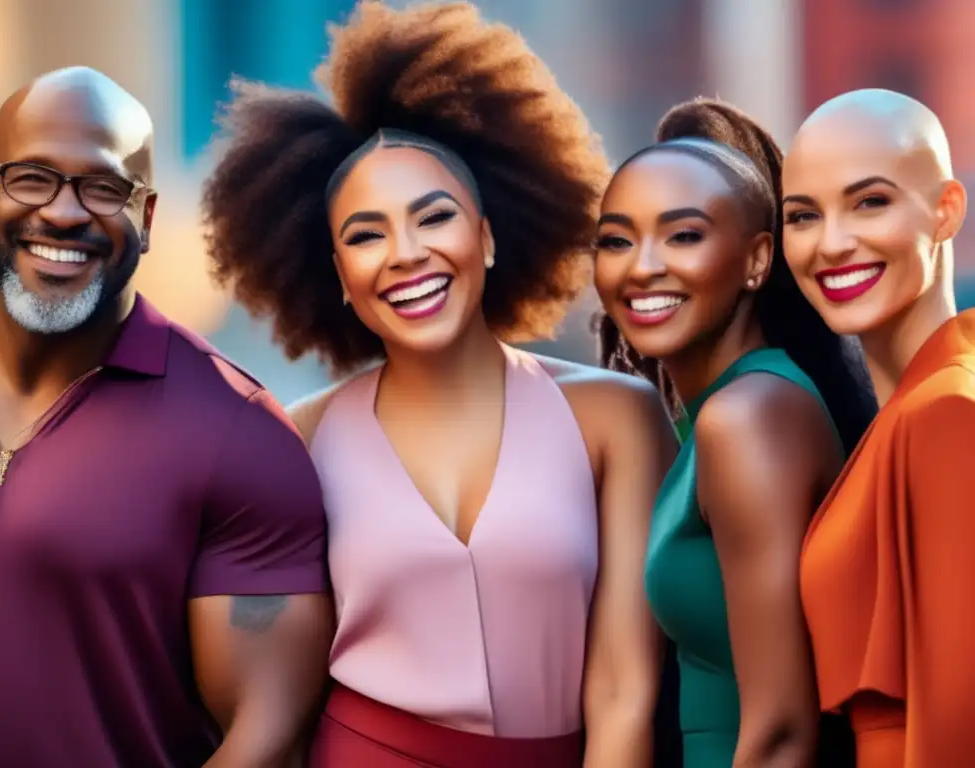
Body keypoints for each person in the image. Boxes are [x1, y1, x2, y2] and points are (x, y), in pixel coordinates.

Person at [201, 2, 680, 766]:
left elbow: (625, 690)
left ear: (487, 238)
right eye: (366, 235)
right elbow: (272, 695)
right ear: (338, 275)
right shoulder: (298, 438)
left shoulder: (615, 417)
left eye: (434, 219)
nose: (406, 254)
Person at [0, 66, 333, 767]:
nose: (64, 213)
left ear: (146, 219)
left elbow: (267, 735)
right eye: (32, 177)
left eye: (102, 188)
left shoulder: (238, 434)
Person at [594, 98, 876, 768]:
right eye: (616, 239)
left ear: (756, 260)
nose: (641, 266)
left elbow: (781, 732)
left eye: (683, 235)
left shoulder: (746, 418)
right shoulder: (724, 411)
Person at [784, 88, 974, 767]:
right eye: (803, 216)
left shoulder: (946, 413)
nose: (832, 243)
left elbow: (957, 719)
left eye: (870, 202)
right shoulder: (910, 409)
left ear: (945, 211)